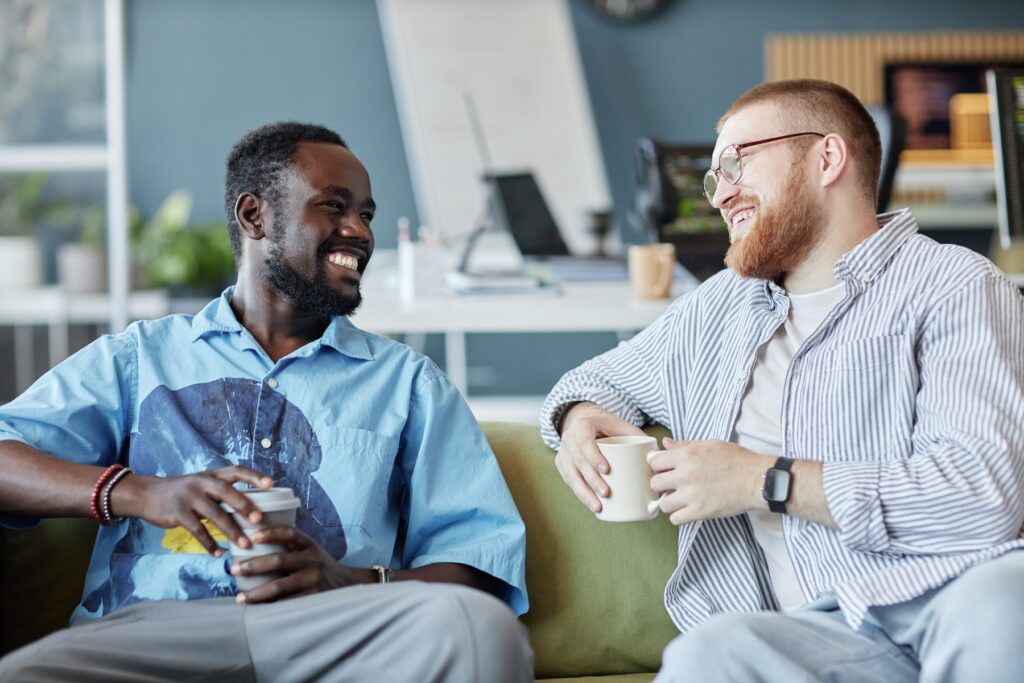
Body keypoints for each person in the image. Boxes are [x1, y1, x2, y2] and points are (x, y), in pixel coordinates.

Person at [0, 122, 531, 683]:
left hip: (331, 637)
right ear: (254, 215)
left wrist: (346, 581)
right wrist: (138, 492)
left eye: (367, 215)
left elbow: (480, 567)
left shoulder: (408, 383)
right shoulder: (139, 358)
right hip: (153, 633)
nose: (360, 232)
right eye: (334, 206)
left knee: (481, 630)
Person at [542, 79, 1024, 682]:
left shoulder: (955, 286)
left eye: (738, 163)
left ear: (827, 158)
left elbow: (982, 498)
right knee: (703, 657)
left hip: (944, 602)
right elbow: (594, 382)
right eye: (716, 178)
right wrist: (578, 419)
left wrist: (763, 480)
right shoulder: (717, 307)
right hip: (805, 640)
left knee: (1008, 600)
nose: (721, 196)